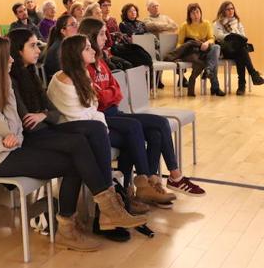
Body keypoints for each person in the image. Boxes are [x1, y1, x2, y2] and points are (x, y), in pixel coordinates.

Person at [0, 35, 145, 251]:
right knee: (76, 155)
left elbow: (14, 126)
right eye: (6, 56)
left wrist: (12, 123)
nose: (11, 60)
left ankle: (88, 218)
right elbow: (14, 128)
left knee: (77, 155)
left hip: (11, 147)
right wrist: (10, 123)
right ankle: (95, 215)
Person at [8, 28, 133, 242]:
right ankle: (106, 205)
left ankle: (105, 208)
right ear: (18, 50)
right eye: (32, 45)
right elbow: (27, 121)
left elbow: (51, 113)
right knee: (83, 143)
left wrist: (43, 114)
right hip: (32, 137)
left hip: (46, 128)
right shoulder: (12, 79)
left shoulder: (31, 72)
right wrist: (43, 116)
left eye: (37, 44)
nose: (39, 49)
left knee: (94, 130)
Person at [47, 34, 179, 209]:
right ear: (75, 54)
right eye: (87, 48)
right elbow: (82, 115)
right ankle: (136, 188)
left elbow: (106, 98)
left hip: (95, 124)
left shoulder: (83, 72)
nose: (94, 49)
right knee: (134, 130)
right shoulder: (65, 80)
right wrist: (101, 112)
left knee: (149, 131)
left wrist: (101, 107)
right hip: (80, 132)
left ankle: (131, 191)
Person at [79, 18, 205, 199]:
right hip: (102, 118)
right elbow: (98, 99)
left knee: (156, 132)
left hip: (114, 112)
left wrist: (109, 94)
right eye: (101, 34)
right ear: (90, 37)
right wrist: (110, 94)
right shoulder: (85, 67)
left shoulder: (101, 62)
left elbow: (116, 91)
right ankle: (168, 178)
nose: (106, 38)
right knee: (157, 123)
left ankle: (151, 186)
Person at [213, 1, 264, 95]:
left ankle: (242, 86)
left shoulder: (237, 23)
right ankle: (252, 76)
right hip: (225, 50)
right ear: (223, 11)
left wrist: (235, 36)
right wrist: (233, 36)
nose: (230, 11)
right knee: (241, 50)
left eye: (232, 8)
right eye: (228, 9)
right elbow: (220, 36)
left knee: (240, 52)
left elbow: (243, 36)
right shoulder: (217, 23)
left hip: (237, 50)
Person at [177, 3, 225, 96]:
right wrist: (179, 53)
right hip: (193, 52)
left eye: (197, 12)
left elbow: (212, 38)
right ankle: (215, 87)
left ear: (201, 13)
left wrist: (207, 43)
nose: (196, 15)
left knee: (216, 47)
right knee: (213, 59)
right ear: (189, 15)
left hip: (204, 50)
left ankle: (208, 70)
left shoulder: (206, 23)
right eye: (193, 13)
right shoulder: (185, 25)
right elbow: (180, 43)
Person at [44, 15, 78, 81]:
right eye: (73, 25)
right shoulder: (59, 49)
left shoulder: (67, 45)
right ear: (63, 31)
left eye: (77, 24)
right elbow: (65, 75)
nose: (77, 27)